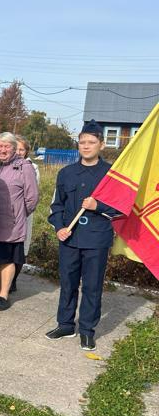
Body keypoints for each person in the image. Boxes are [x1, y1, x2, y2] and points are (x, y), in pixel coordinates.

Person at [46, 120, 120, 351]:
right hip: (70, 237)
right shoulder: (67, 173)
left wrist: (98, 205)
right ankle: (66, 324)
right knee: (68, 283)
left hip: (96, 239)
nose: (86, 146)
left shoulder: (111, 175)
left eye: (91, 142)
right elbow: (56, 205)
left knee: (92, 286)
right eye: (82, 142)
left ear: (100, 145)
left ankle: (87, 330)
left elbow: (120, 209)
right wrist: (59, 226)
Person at [0, 132, 39, 311]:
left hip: (12, 223)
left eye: (7, 146)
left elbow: (32, 197)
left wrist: (18, 213)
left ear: (14, 148)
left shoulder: (24, 167)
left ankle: (4, 294)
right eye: (0, 146)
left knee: (7, 259)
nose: (3, 150)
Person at [12, 135, 40, 292]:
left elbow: (32, 195)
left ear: (26, 152)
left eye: (21, 149)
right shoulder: (5, 165)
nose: (18, 152)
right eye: (15, 148)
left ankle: (13, 280)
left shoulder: (32, 168)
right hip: (6, 215)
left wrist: (22, 212)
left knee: (21, 247)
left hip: (24, 214)